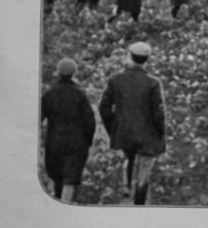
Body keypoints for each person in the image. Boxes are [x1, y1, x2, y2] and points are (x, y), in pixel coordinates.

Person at [97, 42, 167, 204]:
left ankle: (126, 188)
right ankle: (139, 202)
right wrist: (161, 133)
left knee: (128, 157)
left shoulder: (115, 80)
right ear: (147, 60)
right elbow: (159, 113)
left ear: (129, 56)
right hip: (147, 135)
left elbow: (104, 108)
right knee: (144, 170)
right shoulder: (153, 83)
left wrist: (113, 128)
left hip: (124, 133)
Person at [40, 58, 96, 202]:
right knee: (70, 179)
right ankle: (65, 205)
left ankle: (58, 205)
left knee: (57, 177)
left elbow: (37, 119)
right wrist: (87, 143)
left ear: (57, 73)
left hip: (54, 143)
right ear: (74, 73)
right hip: (76, 144)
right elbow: (90, 122)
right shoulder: (79, 94)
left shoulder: (49, 94)